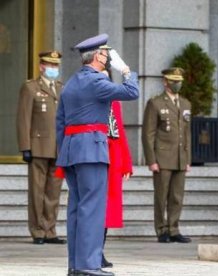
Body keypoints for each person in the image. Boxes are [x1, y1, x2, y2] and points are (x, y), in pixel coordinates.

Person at [56, 34, 139, 276]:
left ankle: (75, 264)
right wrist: (125, 70)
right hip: (92, 149)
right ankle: (89, 265)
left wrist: (65, 152)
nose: (108, 56)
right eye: (106, 53)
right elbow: (131, 92)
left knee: (77, 209)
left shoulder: (71, 82)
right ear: (97, 56)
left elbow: (59, 123)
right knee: (92, 209)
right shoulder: (95, 82)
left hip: (72, 151)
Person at [16, 50, 66, 245]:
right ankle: (37, 231)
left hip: (57, 147)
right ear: (41, 66)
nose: (53, 69)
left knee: (53, 191)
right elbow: (23, 119)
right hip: (38, 146)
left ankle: (50, 229)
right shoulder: (30, 88)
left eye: (56, 66)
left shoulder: (61, 89)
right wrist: (25, 147)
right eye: (50, 65)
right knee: (37, 191)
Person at [142, 67, 192, 243]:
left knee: (177, 196)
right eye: (173, 80)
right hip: (162, 158)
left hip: (180, 157)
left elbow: (186, 134)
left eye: (179, 81)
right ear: (165, 82)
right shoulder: (155, 103)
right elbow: (148, 133)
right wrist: (151, 160)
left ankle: (174, 228)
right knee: (161, 196)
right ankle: (161, 229)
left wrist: (188, 159)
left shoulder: (185, 104)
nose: (176, 84)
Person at [101, 70, 133, 269]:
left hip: (112, 157)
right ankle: (90, 251)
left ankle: (99, 251)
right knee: (95, 208)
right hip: (95, 153)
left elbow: (119, 131)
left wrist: (126, 163)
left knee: (107, 209)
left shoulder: (114, 102)